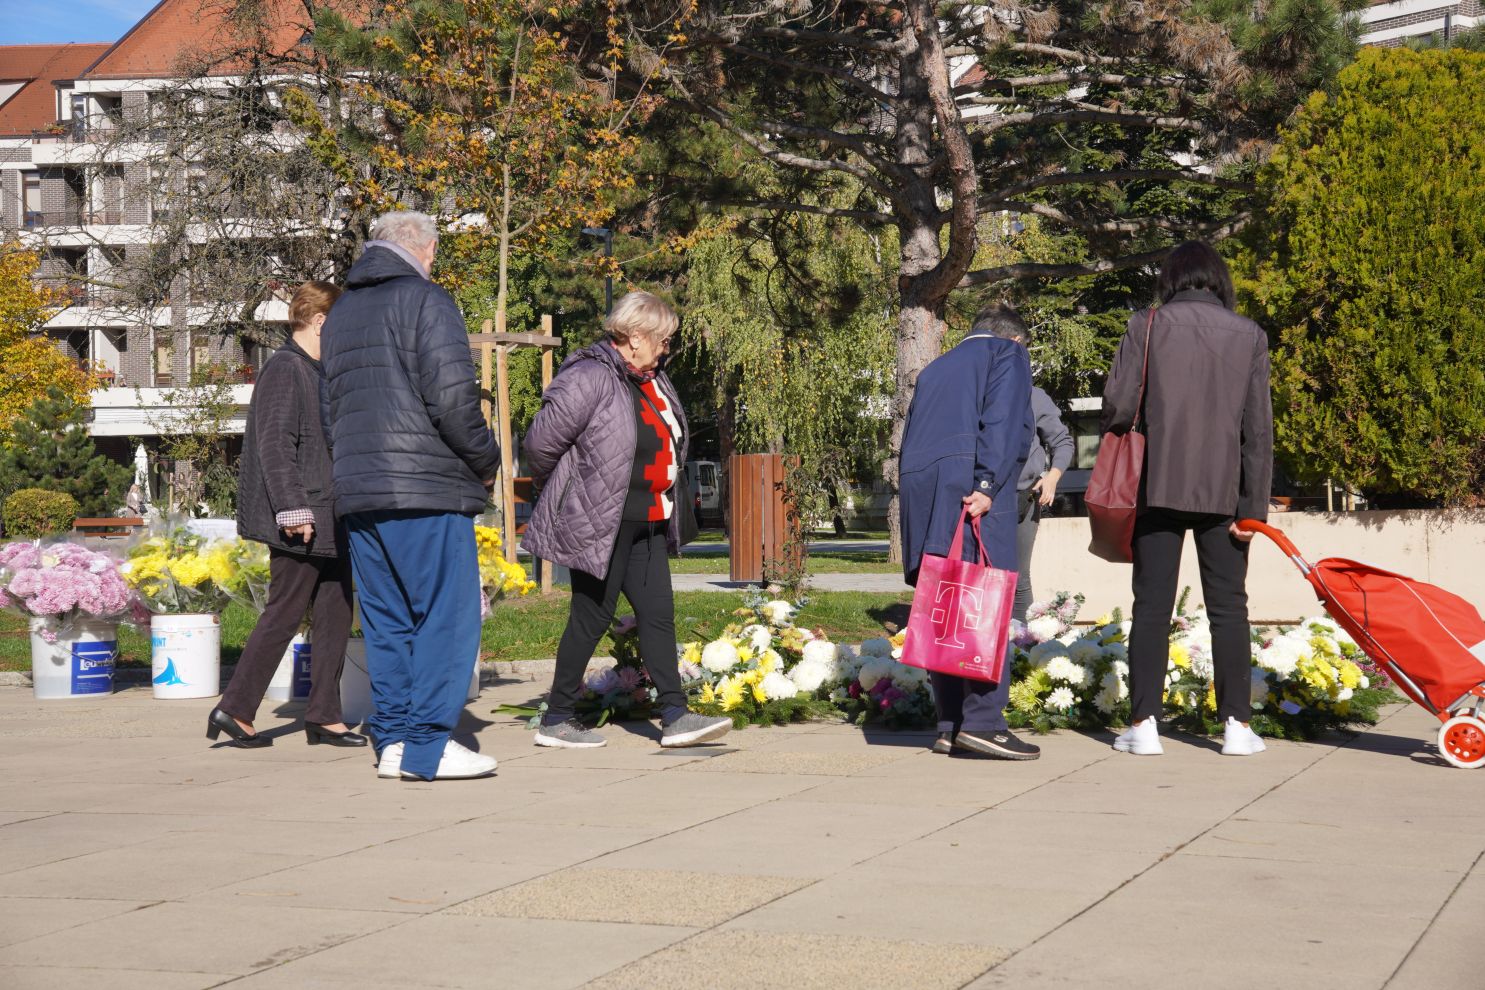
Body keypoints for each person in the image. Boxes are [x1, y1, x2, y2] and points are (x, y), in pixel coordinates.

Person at [322, 211, 501, 781]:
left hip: (361, 490)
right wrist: (487, 461)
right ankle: (427, 747)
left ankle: (395, 740)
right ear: (425, 249)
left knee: (388, 623)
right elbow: (453, 399)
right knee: (447, 619)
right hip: (424, 487)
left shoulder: (342, 312)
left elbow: (331, 409)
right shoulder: (427, 300)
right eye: (434, 255)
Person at [522, 291, 732, 750]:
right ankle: (556, 719)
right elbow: (539, 445)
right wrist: (568, 492)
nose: (666, 348)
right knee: (591, 617)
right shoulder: (589, 376)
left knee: (658, 616)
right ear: (635, 337)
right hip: (603, 522)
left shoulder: (654, 379)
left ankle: (675, 716)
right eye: (662, 339)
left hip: (651, 520)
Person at [1100, 241, 1273, 758]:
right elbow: (1258, 431)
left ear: (1171, 279)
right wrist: (1253, 511)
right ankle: (1237, 726)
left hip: (1156, 485)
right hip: (1226, 493)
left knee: (1151, 607)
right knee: (1229, 608)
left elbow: (1118, 405)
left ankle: (1144, 725)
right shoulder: (1250, 335)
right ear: (1218, 280)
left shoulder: (1146, 325)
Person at [209, 282, 359, 750]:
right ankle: (235, 708)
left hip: (331, 515)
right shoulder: (285, 368)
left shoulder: (318, 371)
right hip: (302, 516)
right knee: (286, 611)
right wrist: (292, 509)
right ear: (320, 320)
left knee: (336, 612)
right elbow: (274, 446)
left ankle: (325, 715)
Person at [899, 305, 1039, 761]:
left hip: (926, 496)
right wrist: (987, 484)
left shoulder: (934, 369)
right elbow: (1003, 422)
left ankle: (949, 724)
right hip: (972, 492)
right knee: (984, 602)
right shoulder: (1007, 354)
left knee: (945, 604)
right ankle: (984, 723)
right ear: (1014, 338)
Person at [979, 310, 1074, 623]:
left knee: (1018, 579)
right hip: (980, 501)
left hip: (1023, 501)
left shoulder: (1035, 397)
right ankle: (983, 641)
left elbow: (1062, 442)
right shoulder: (974, 393)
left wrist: (1053, 477)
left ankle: (1021, 645)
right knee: (982, 577)